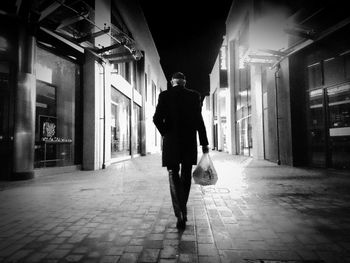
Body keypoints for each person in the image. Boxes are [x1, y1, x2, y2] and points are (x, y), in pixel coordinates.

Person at [153, 72, 209, 229]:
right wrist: (204, 143)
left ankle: (179, 213)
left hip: (171, 143)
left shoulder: (164, 95)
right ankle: (183, 209)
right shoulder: (194, 96)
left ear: (172, 82)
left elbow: (156, 118)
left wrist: (166, 132)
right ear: (184, 82)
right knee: (186, 175)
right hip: (188, 142)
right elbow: (199, 120)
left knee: (172, 175)